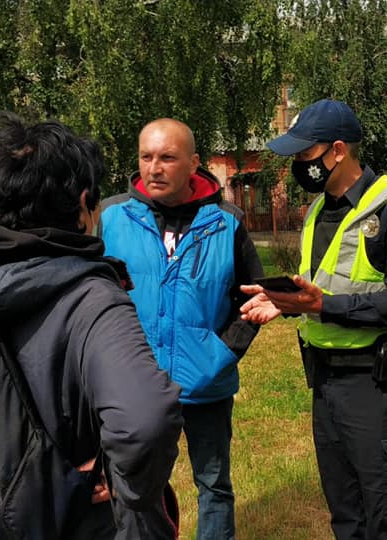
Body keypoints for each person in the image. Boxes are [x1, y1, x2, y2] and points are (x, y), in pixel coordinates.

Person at [0, 113, 184, 538]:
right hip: (71, 519)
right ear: (83, 205)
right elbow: (146, 421)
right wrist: (126, 481)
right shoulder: (89, 296)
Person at [240, 99, 387, 539]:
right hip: (325, 386)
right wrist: (287, 304)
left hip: (375, 389)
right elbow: (323, 287)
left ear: (339, 150)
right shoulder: (316, 213)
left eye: (306, 155)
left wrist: (320, 306)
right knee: (346, 516)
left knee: (385, 516)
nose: (298, 165)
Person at [100, 118, 264, 540]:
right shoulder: (111, 218)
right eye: (146, 157)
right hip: (135, 386)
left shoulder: (227, 221)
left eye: (167, 158)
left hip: (206, 383)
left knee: (213, 484)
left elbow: (253, 296)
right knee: (135, 487)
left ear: (193, 163)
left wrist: (222, 353)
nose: (154, 168)